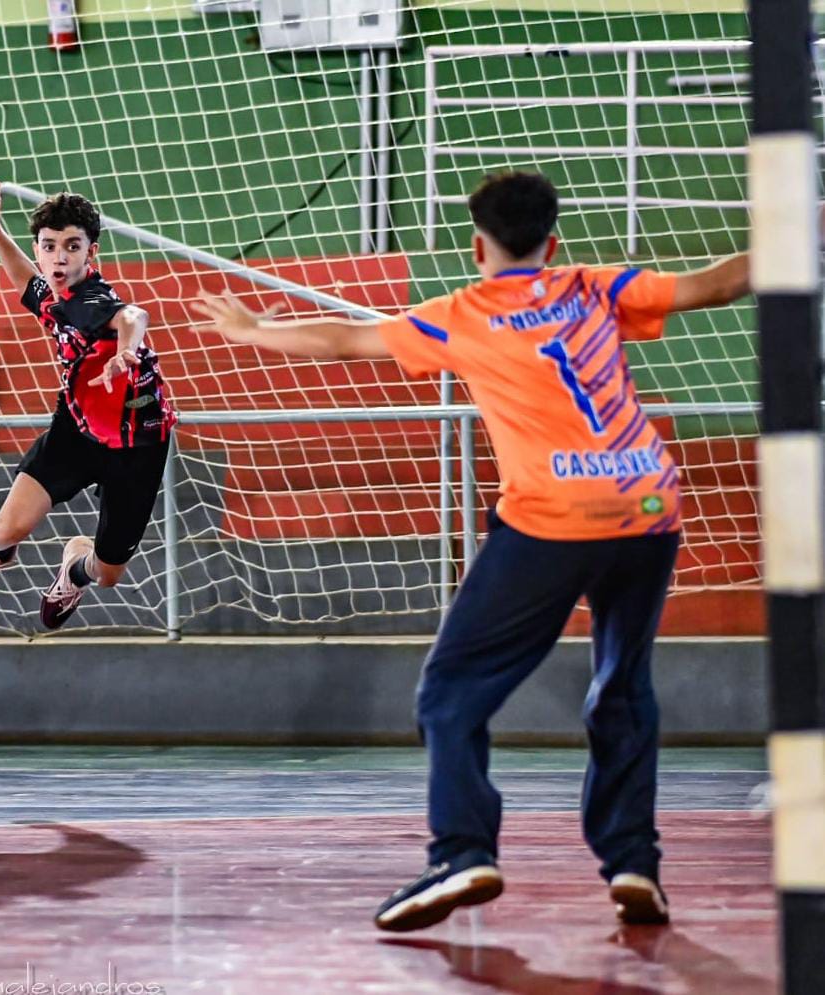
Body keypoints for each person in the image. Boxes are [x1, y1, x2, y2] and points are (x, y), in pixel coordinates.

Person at [194, 171, 750, 930]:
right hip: (648, 503)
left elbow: (349, 342)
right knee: (623, 680)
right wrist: (799, 228)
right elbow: (713, 286)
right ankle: (633, 863)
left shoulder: (463, 313)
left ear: (476, 245)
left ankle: (463, 851)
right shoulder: (592, 286)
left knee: (450, 692)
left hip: (553, 516)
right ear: (553, 241)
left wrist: (254, 329)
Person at [0, 181, 175, 629]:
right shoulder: (51, 292)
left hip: (136, 443)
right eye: (49, 247)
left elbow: (132, 315)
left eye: (72, 246)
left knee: (107, 574)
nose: (59, 256)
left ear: (91, 253)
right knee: (5, 529)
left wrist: (127, 349)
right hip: (77, 429)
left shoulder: (92, 300)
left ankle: (75, 569)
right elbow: (25, 281)